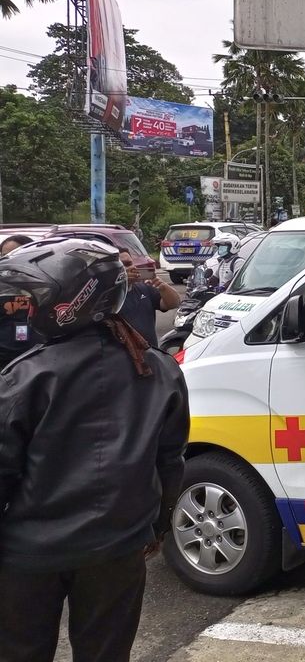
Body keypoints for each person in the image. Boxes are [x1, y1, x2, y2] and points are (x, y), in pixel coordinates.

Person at [0, 237, 189, 661]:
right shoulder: (157, 367)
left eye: (35, 299)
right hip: (118, 549)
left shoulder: (26, 376)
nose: (27, 309)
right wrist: (155, 528)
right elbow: (170, 461)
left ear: (67, 301)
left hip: (30, 554)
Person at [118, 248, 182, 347]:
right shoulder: (105, 295)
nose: (131, 268)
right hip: (121, 356)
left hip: (150, 353)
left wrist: (163, 287)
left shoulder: (144, 287)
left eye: (130, 263)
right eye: (124, 265)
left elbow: (174, 303)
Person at [0, 234, 38, 367]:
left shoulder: (47, 283)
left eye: (14, 254)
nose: (8, 260)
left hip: (38, 359)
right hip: (5, 363)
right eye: (4, 256)